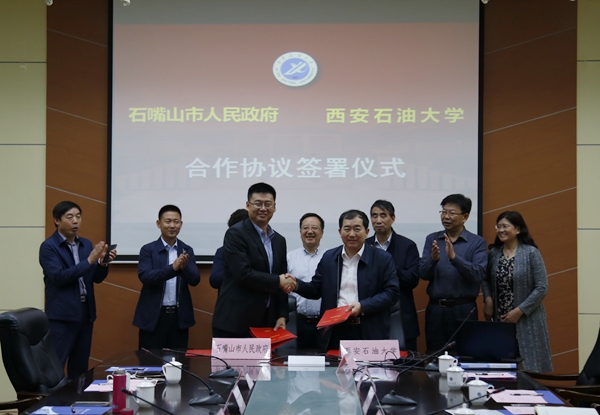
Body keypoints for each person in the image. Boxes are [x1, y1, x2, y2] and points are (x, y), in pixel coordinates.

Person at [294, 209, 399, 350]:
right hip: (335, 329)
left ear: (367, 232)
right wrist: (296, 284)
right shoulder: (329, 257)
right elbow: (315, 289)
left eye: (357, 229)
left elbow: (392, 293)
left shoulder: (382, 258)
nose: (352, 234)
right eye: (347, 229)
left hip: (368, 329)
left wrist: (362, 306)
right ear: (340, 232)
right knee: (333, 364)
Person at [39, 201, 116, 379]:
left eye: (78, 216)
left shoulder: (85, 244)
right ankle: (53, 398)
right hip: (62, 316)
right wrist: (89, 261)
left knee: (80, 369)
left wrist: (103, 263)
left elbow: (96, 277)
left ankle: (78, 397)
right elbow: (59, 277)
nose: (75, 221)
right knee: (55, 368)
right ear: (57, 220)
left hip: (85, 313)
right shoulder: (49, 247)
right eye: (70, 217)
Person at [212, 182, 295, 338]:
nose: (263, 208)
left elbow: (282, 278)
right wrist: (278, 280)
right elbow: (243, 274)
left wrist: (282, 314)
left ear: (274, 207)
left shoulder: (279, 240)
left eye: (268, 204)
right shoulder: (235, 234)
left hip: (267, 322)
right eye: (258, 203)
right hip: (235, 322)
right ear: (248, 205)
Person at [482, 211, 553, 372]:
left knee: (530, 368)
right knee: (502, 367)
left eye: (505, 226)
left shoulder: (531, 253)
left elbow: (542, 287)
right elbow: (485, 279)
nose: (501, 230)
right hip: (501, 320)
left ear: (518, 229)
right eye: (498, 226)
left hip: (527, 318)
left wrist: (519, 311)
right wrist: (488, 299)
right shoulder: (494, 253)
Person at [419, 194, 487, 352]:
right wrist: (433, 260)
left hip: (463, 309)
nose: (446, 217)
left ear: (465, 217)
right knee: (435, 356)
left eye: (452, 213)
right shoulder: (432, 239)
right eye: (443, 212)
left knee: (464, 354)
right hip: (436, 310)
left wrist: (455, 258)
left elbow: (478, 273)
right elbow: (422, 273)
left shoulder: (477, 242)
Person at [133, 205, 201, 349]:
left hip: (179, 318)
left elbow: (195, 280)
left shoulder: (187, 250)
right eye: (168, 221)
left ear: (181, 224)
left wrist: (184, 268)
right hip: (153, 318)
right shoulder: (148, 250)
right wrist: (172, 268)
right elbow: (146, 276)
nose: (172, 226)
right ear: (159, 224)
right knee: (150, 361)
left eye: (176, 222)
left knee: (178, 360)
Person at [366, 200, 420, 351]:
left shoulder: (407, 245)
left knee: (406, 362)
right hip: (371, 315)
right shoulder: (364, 245)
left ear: (393, 218)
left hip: (401, 315)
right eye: (374, 216)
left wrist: (385, 265)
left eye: (383, 215)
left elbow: (412, 279)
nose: (378, 220)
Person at [287, 213, 326, 350]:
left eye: (314, 228)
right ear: (300, 232)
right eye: (305, 228)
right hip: (296, 322)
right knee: (296, 360)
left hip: (325, 323)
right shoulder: (289, 258)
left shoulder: (330, 257)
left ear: (322, 233)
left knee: (327, 360)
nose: (310, 231)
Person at [209, 209, 249, 290]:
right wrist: (236, 269)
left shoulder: (259, 250)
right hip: (229, 296)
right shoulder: (222, 251)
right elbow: (214, 280)